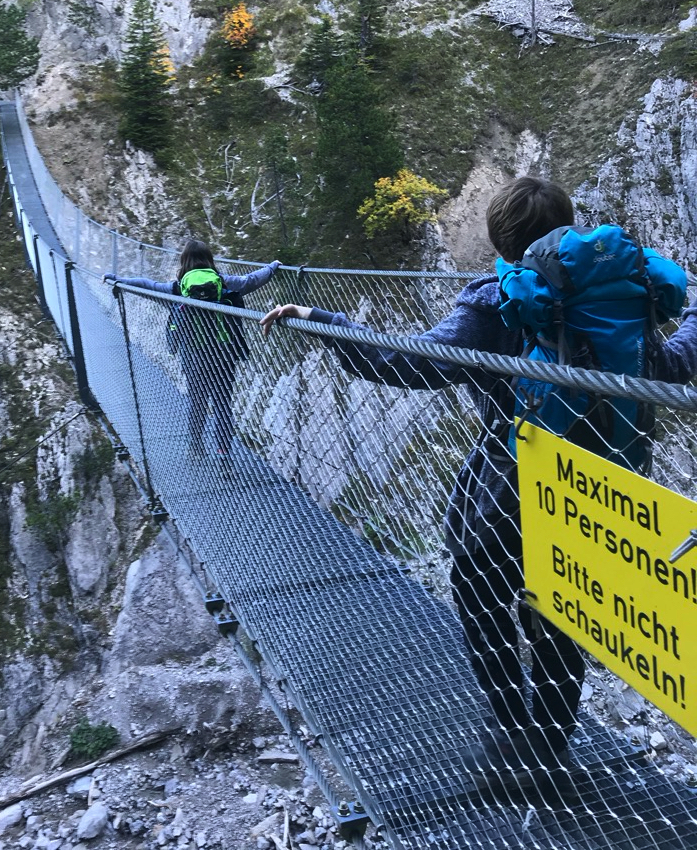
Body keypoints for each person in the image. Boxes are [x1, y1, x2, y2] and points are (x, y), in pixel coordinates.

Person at [260, 177, 697, 786]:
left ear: (499, 239)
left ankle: (509, 735)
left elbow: (409, 362)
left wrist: (321, 322)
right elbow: (673, 365)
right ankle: (546, 752)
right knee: (560, 617)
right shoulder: (618, 298)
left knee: (481, 595)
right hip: (597, 497)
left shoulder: (495, 300)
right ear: (568, 225)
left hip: (509, 492)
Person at [105, 240, 280, 456]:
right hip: (224, 356)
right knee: (222, 404)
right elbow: (252, 280)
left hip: (194, 358)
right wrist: (273, 267)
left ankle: (196, 449)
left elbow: (147, 286)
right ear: (209, 260)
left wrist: (119, 280)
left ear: (184, 262)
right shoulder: (224, 284)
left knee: (197, 403)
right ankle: (224, 454)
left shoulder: (177, 289)